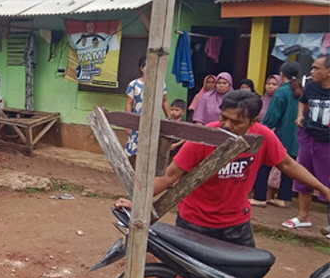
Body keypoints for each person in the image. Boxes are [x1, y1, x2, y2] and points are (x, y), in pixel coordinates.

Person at [116, 90, 330, 247]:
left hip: (236, 224)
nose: (226, 125)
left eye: (236, 121)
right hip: (194, 222)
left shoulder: (262, 136)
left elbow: (287, 164)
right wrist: (137, 201)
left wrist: (323, 188)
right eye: (223, 118)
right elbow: (170, 176)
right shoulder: (205, 137)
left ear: (252, 121)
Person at [283, 55, 330, 229]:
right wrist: (300, 115)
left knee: (328, 180)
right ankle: (303, 216)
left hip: (327, 141)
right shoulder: (310, 87)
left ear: (328, 71)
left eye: (316, 68)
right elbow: (302, 102)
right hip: (309, 137)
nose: (312, 72)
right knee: (304, 175)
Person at [252, 64, 301, 208]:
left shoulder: (281, 92)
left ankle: (260, 197)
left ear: (282, 73)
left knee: (264, 164)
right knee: (288, 167)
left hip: (279, 136)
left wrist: (264, 128)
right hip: (295, 137)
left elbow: (272, 117)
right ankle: (282, 198)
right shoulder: (300, 91)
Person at [125, 56, 171, 160]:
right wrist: (127, 124)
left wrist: (169, 118)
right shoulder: (134, 84)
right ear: (142, 68)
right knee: (133, 151)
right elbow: (129, 103)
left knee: (150, 149)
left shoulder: (161, 85)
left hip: (153, 122)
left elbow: (164, 101)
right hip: (136, 122)